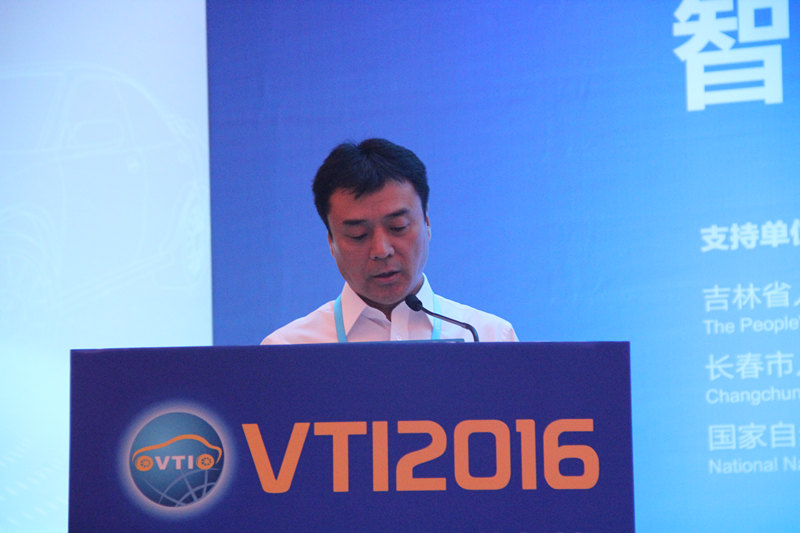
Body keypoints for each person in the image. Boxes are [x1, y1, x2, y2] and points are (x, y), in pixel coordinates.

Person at [261, 138, 517, 344]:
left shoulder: (488, 338)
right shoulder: (288, 350)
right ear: (331, 241)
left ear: (427, 222)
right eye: (358, 235)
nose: (381, 250)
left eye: (398, 227)